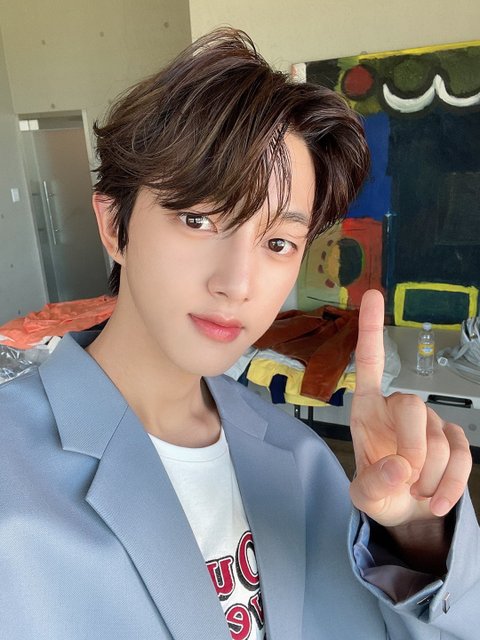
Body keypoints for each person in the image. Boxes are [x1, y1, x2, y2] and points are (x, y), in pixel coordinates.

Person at [0, 28, 478, 640]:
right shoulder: (13, 469)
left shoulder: (303, 460)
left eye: (277, 242)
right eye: (198, 218)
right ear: (116, 225)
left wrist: (414, 538)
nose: (237, 282)